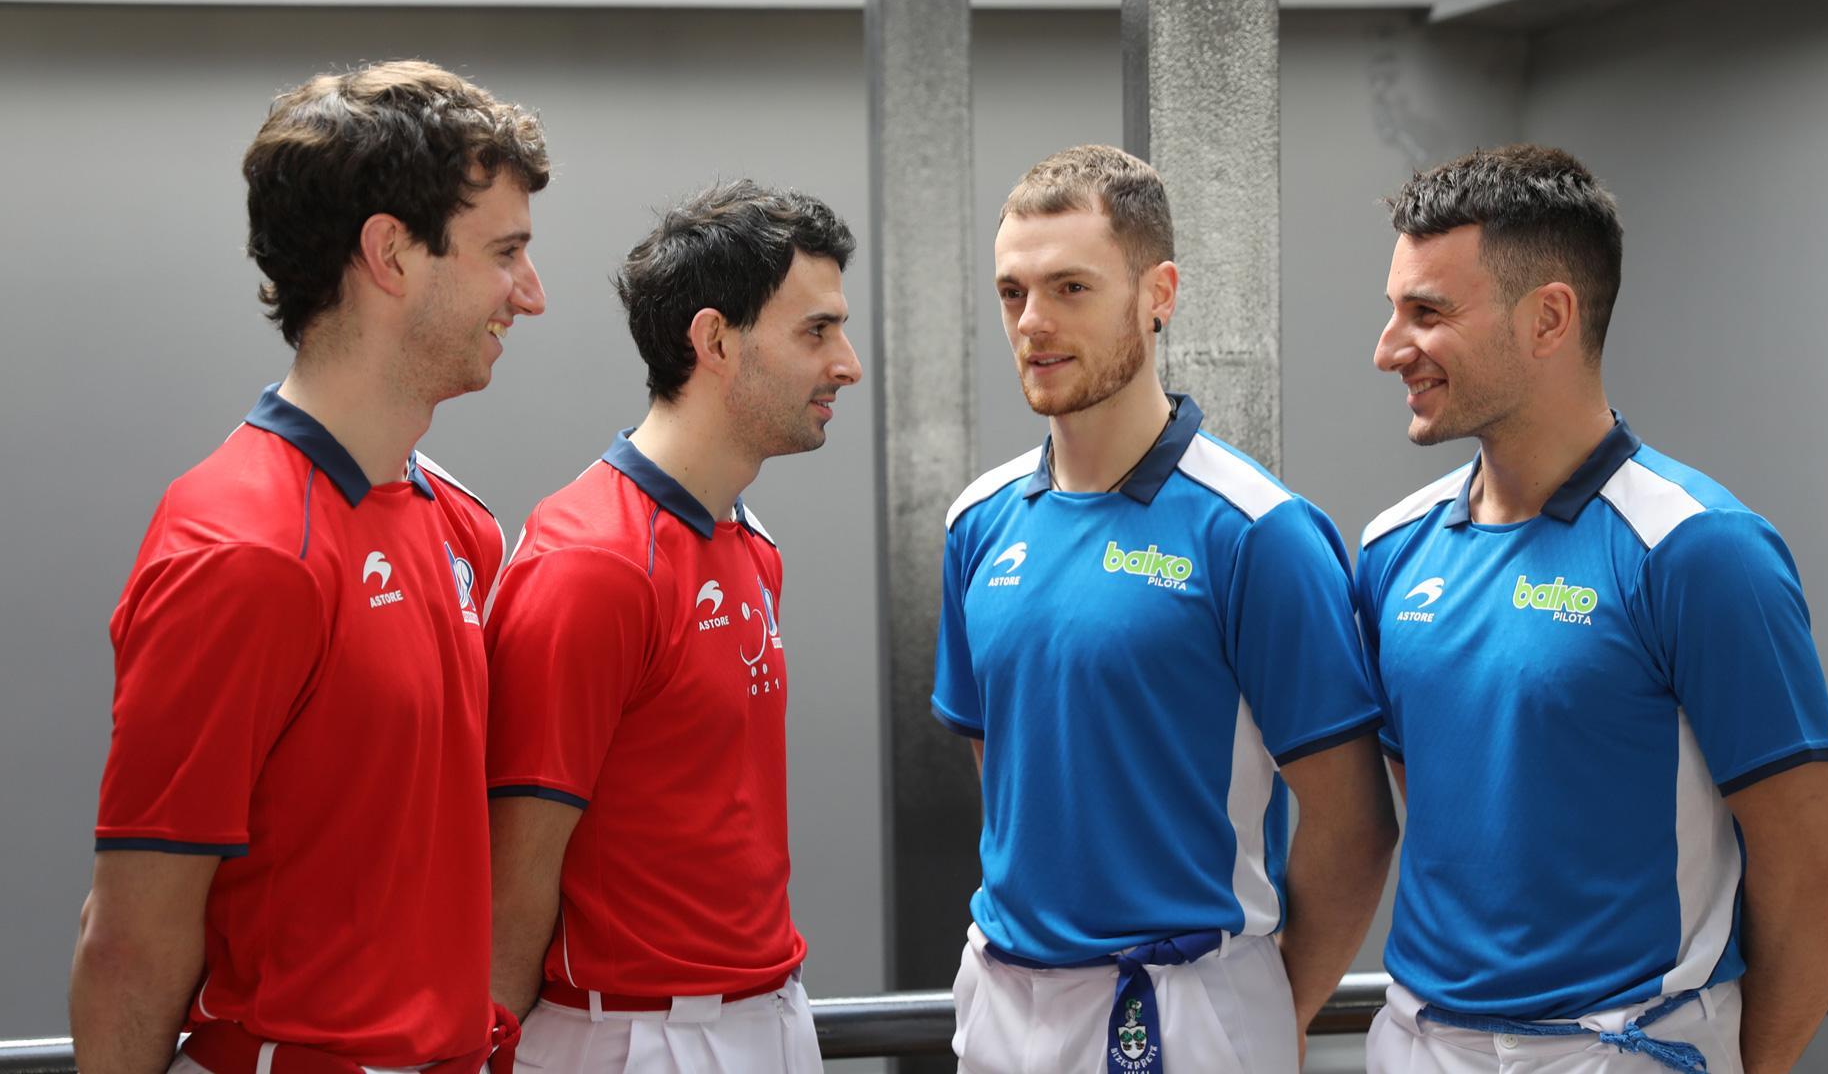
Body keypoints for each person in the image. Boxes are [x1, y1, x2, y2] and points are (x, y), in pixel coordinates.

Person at [71, 61, 549, 1074]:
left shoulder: (461, 528)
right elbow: (132, 941)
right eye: (505, 253)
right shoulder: (240, 549)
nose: (531, 295)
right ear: (390, 253)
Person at [1358, 144, 1828, 1074]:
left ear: (1549, 317)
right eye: (1395, 310)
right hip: (1418, 1044)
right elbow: (1430, 807)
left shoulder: (1698, 550)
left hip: (1624, 1049)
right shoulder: (1391, 550)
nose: (1390, 348)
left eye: (1427, 313)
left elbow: (1820, 874)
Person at [932, 144, 1398, 1074]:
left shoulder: (1257, 532)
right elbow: (1005, 771)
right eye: (1013, 292)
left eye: (1071, 288)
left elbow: (1355, 828)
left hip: (1184, 1008)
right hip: (1001, 999)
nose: (1033, 322)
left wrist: (1262, 1011)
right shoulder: (976, 523)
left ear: (1160, 294)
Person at [484, 180, 861, 1074]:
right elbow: (512, 879)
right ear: (715, 340)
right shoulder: (593, 563)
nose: (845, 362)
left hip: (769, 1016)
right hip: (632, 1038)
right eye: (817, 331)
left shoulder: (747, 539)